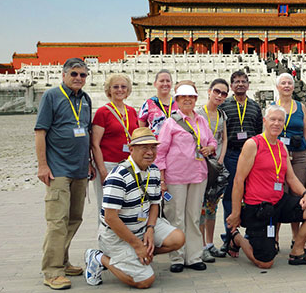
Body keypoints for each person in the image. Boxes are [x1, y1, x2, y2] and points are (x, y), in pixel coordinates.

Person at [84, 128, 185, 288]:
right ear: (131, 149)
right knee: (145, 281)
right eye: (144, 147)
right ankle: (98, 258)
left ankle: (137, 255)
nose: (150, 152)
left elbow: (154, 204)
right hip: (116, 235)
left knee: (178, 238)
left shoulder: (153, 170)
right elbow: (110, 217)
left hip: (142, 226)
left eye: (153, 147)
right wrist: (137, 245)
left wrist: (150, 229)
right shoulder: (118, 176)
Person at [225, 105, 306, 268]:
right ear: (265, 121)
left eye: (280, 120)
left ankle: (297, 251)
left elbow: (291, 178)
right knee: (265, 263)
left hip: (278, 202)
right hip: (258, 207)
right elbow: (238, 180)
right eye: (273, 119)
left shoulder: (281, 147)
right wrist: (236, 212)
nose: (276, 123)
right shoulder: (253, 144)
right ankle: (237, 237)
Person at [35, 58, 95, 290]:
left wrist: (89, 162)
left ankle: (62, 260)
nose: (79, 78)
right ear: (64, 75)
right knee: (57, 221)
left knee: (74, 218)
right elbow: (40, 132)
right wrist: (43, 165)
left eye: (83, 75)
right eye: (74, 74)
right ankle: (52, 271)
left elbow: (86, 132)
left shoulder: (85, 99)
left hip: (80, 169)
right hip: (58, 169)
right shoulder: (51, 96)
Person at [156, 81, 218, 272]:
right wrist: (162, 179)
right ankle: (177, 257)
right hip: (176, 177)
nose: (188, 101)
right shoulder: (170, 122)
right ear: (177, 100)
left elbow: (212, 140)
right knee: (176, 217)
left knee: (193, 217)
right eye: (184, 98)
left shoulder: (201, 120)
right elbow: (161, 152)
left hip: (198, 175)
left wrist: (211, 148)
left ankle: (194, 256)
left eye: (191, 97)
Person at [218, 71, 263, 250]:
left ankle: (250, 235)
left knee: (251, 195)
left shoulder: (254, 106)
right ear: (231, 85)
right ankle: (230, 236)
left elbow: (259, 132)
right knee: (230, 197)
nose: (240, 84)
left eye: (244, 81)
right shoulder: (224, 106)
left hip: (251, 156)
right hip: (231, 154)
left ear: (248, 85)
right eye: (236, 82)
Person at [272, 73, 306, 251]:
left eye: (289, 83)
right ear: (277, 87)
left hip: (299, 155)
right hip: (279, 156)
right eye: (283, 83)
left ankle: (296, 237)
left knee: (299, 195)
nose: (287, 86)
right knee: (277, 194)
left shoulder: (300, 106)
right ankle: (273, 238)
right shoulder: (273, 107)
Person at [91, 74, 139, 215]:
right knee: (107, 206)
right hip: (108, 164)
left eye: (123, 86)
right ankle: (106, 236)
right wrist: (102, 171)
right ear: (109, 90)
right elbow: (95, 144)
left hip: (128, 165)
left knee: (127, 205)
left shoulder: (132, 111)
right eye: (115, 87)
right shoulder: (102, 112)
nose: (120, 90)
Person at [195, 78, 230, 263]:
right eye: (217, 91)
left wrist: (221, 158)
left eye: (224, 93)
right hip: (201, 162)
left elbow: (224, 139)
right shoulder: (198, 113)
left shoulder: (222, 115)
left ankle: (209, 243)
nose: (220, 96)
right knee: (200, 208)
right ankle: (200, 246)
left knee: (212, 207)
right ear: (209, 91)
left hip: (216, 165)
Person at [138, 69, 177, 137]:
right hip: (155, 144)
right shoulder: (148, 104)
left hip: (176, 144)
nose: (165, 84)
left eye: (168, 81)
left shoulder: (178, 103)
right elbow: (142, 129)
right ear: (155, 84)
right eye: (162, 81)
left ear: (172, 83)